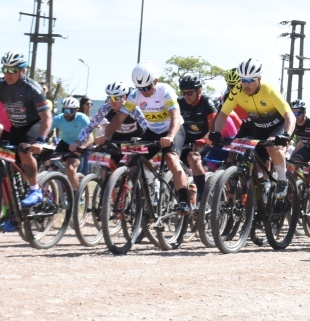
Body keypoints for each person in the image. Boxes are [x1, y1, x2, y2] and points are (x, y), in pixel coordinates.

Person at [99, 62, 192, 214]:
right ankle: (143, 197)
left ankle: (184, 201)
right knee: (134, 163)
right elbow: (119, 117)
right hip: (152, 131)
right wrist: (106, 135)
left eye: (147, 88)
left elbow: (175, 116)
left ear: (155, 81)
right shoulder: (135, 95)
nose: (144, 91)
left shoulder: (165, 91)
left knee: (171, 160)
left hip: (173, 129)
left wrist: (169, 136)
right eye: (141, 88)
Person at [0, 52, 52, 209]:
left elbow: (46, 117)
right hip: (14, 127)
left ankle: (35, 190)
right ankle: (12, 210)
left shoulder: (32, 88)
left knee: (23, 150)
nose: (8, 74)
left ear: (22, 70)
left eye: (13, 70)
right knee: (3, 161)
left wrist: (40, 140)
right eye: (5, 69)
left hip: (33, 124)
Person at [211, 58, 296, 200]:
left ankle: (282, 179)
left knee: (272, 147)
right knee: (254, 160)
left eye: (250, 80)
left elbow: (289, 115)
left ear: (259, 78)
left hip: (278, 125)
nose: (246, 84)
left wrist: (287, 134)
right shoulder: (237, 91)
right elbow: (223, 114)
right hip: (260, 126)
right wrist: (217, 133)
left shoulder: (268, 90)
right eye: (243, 80)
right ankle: (263, 186)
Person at [177, 74, 216, 208]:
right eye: (184, 93)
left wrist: (204, 139)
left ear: (199, 91)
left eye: (190, 93)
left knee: (193, 158)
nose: (186, 96)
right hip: (187, 140)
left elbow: (214, 128)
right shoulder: (180, 102)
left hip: (205, 139)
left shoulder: (207, 103)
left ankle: (202, 195)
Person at [51, 96, 91, 190]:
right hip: (65, 143)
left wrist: (82, 146)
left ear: (76, 110)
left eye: (70, 111)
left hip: (81, 143)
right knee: (50, 162)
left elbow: (90, 137)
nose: (66, 114)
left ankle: (75, 194)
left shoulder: (82, 118)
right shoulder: (58, 118)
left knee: (71, 168)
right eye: (64, 110)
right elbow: (46, 130)